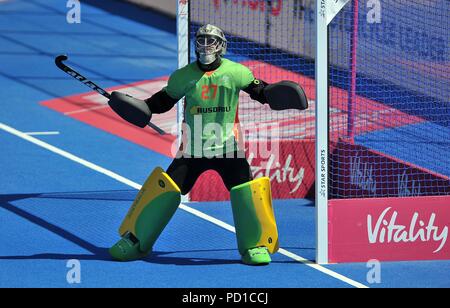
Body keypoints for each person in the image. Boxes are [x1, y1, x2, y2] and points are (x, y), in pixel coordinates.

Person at [107, 24, 308, 265]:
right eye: (201, 40)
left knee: (248, 193)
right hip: (192, 151)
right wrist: (137, 107)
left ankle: (254, 246)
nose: (205, 45)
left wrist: (278, 93)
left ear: (221, 46)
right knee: (165, 189)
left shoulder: (237, 72)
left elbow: (261, 92)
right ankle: (136, 241)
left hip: (229, 149)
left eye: (211, 41)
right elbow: (160, 103)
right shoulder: (183, 76)